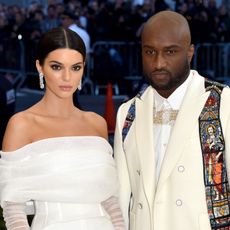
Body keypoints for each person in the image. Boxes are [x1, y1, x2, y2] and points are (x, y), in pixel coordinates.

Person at [114, 10, 230, 230]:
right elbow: (121, 197)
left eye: (170, 52)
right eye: (150, 52)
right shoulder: (128, 113)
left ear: (189, 53)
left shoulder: (222, 103)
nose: (158, 63)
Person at [0, 27, 125, 230]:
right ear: (40, 67)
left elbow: (109, 198)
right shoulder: (22, 124)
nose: (67, 77)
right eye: (57, 67)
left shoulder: (96, 123)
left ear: (84, 68)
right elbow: (13, 208)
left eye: (75, 68)